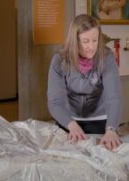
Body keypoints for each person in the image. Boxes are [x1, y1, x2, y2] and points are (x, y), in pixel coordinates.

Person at [47, 14, 123, 150]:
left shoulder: (107, 57)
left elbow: (113, 97)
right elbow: (55, 102)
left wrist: (111, 129)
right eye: (86, 41)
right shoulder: (59, 61)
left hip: (99, 120)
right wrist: (71, 124)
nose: (91, 46)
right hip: (69, 121)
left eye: (95, 40)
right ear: (74, 41)